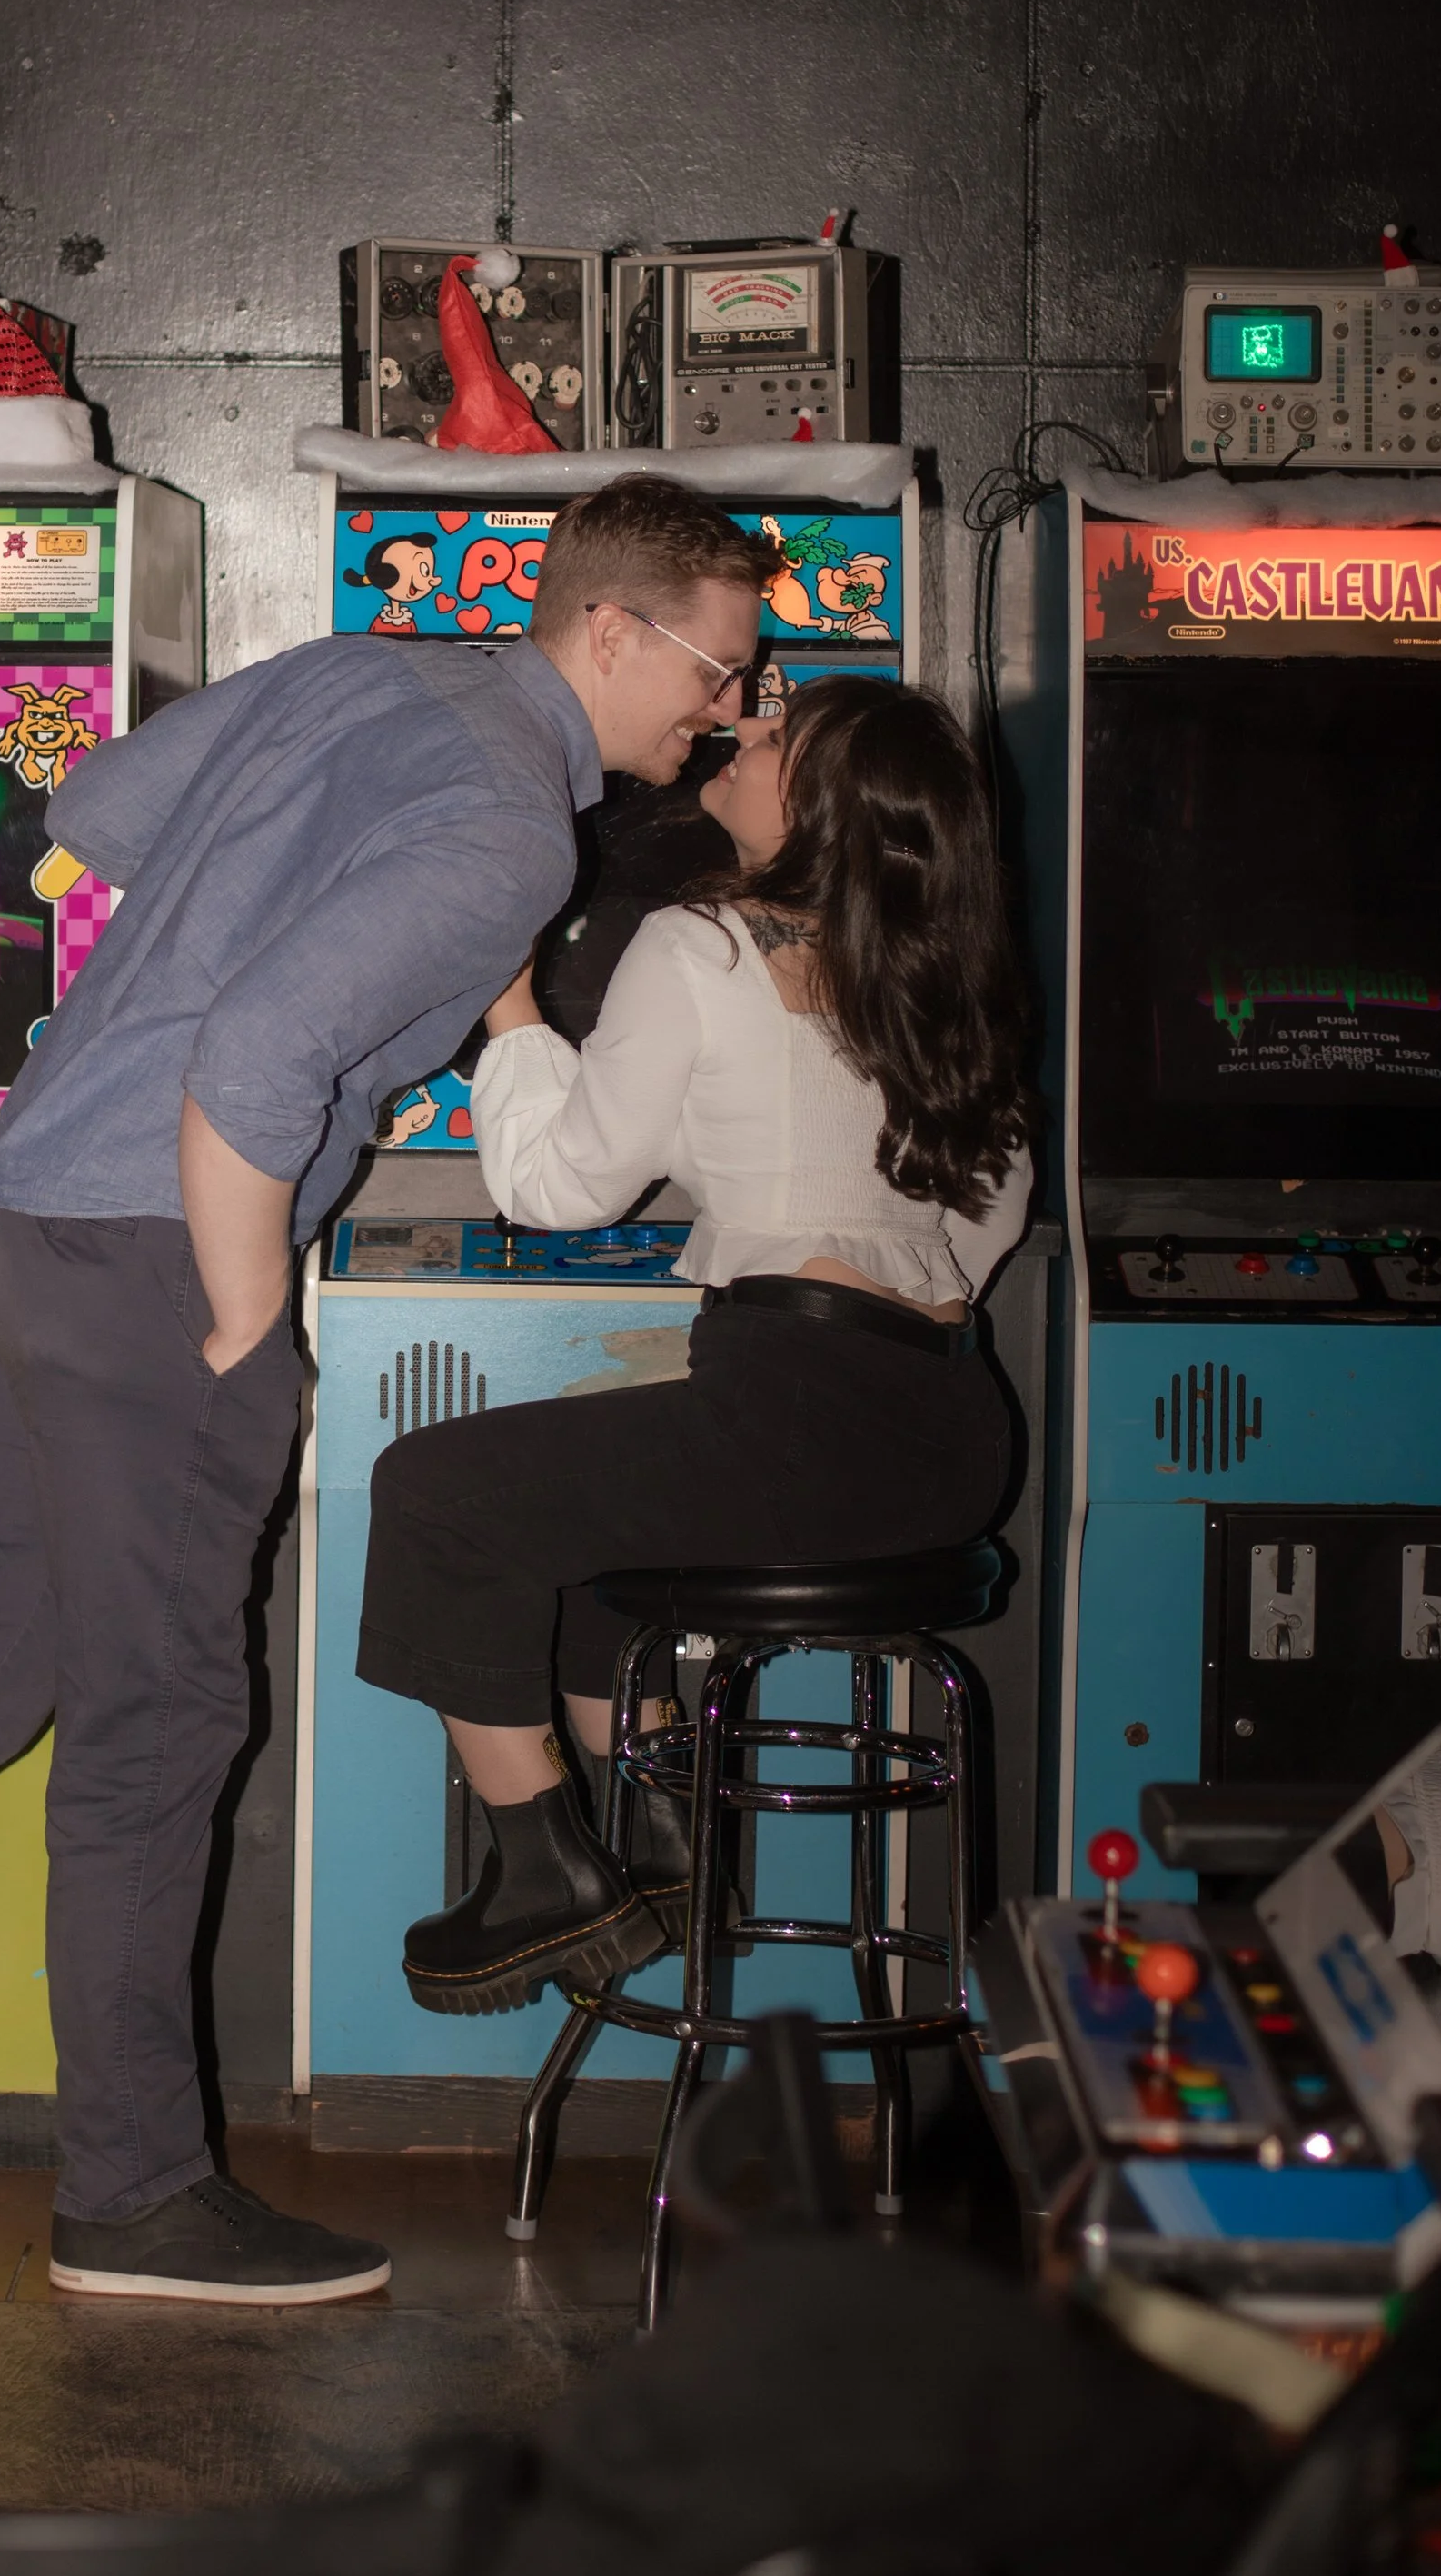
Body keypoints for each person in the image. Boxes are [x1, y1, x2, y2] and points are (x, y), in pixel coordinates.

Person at [0, 474, 768, 2310]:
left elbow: (95, 810)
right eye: (718, 670)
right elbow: (259, 1057)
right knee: (153, 1729)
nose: (724, 712)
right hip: (154, 1263)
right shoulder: (511, 824)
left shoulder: (367, 669)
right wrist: (248, 1310)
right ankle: (131, 2194)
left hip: (25, 1205)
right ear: (610, 629)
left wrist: (256, 901)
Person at [357, 674, 1034, 2014]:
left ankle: (542, 1872)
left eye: (779, 736)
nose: (743, 731)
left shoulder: (704, 944)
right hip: (954, 1428)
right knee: (605, 1554)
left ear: (822, 804)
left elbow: (555, 1190)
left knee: (435, 1495)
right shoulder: (951, 974)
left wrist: (511, 1017)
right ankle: (665, 1847)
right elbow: (987, 1218)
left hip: (803, 1413)